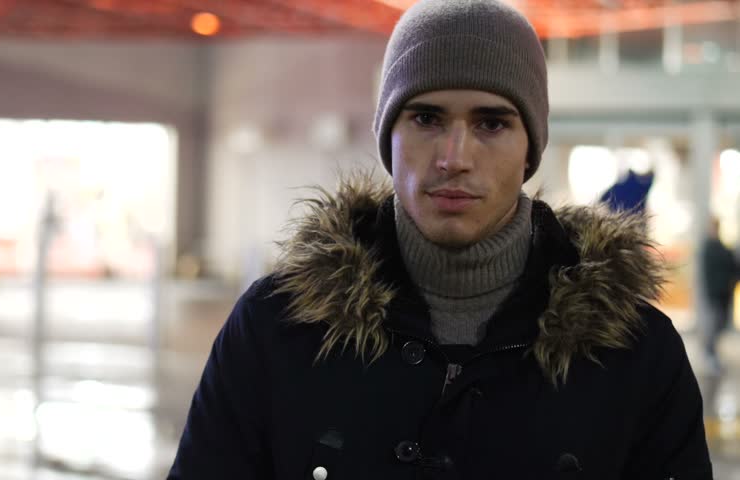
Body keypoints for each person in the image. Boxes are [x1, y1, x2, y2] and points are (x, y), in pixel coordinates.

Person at [168, 1, 712, 478]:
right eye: (426, 118)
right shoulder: (276, 329)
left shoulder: (636, 354)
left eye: (491, 124)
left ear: (530, 149)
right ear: (389, 140)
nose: (454, 157)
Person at [701, 217, 739, 374]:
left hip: (724, 292)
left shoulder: (722, 247)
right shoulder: (710, 248)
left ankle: (711, 353)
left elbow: (733, 266)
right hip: (716, 293)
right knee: (716, 323)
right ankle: (709, 353)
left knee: (721, 322)